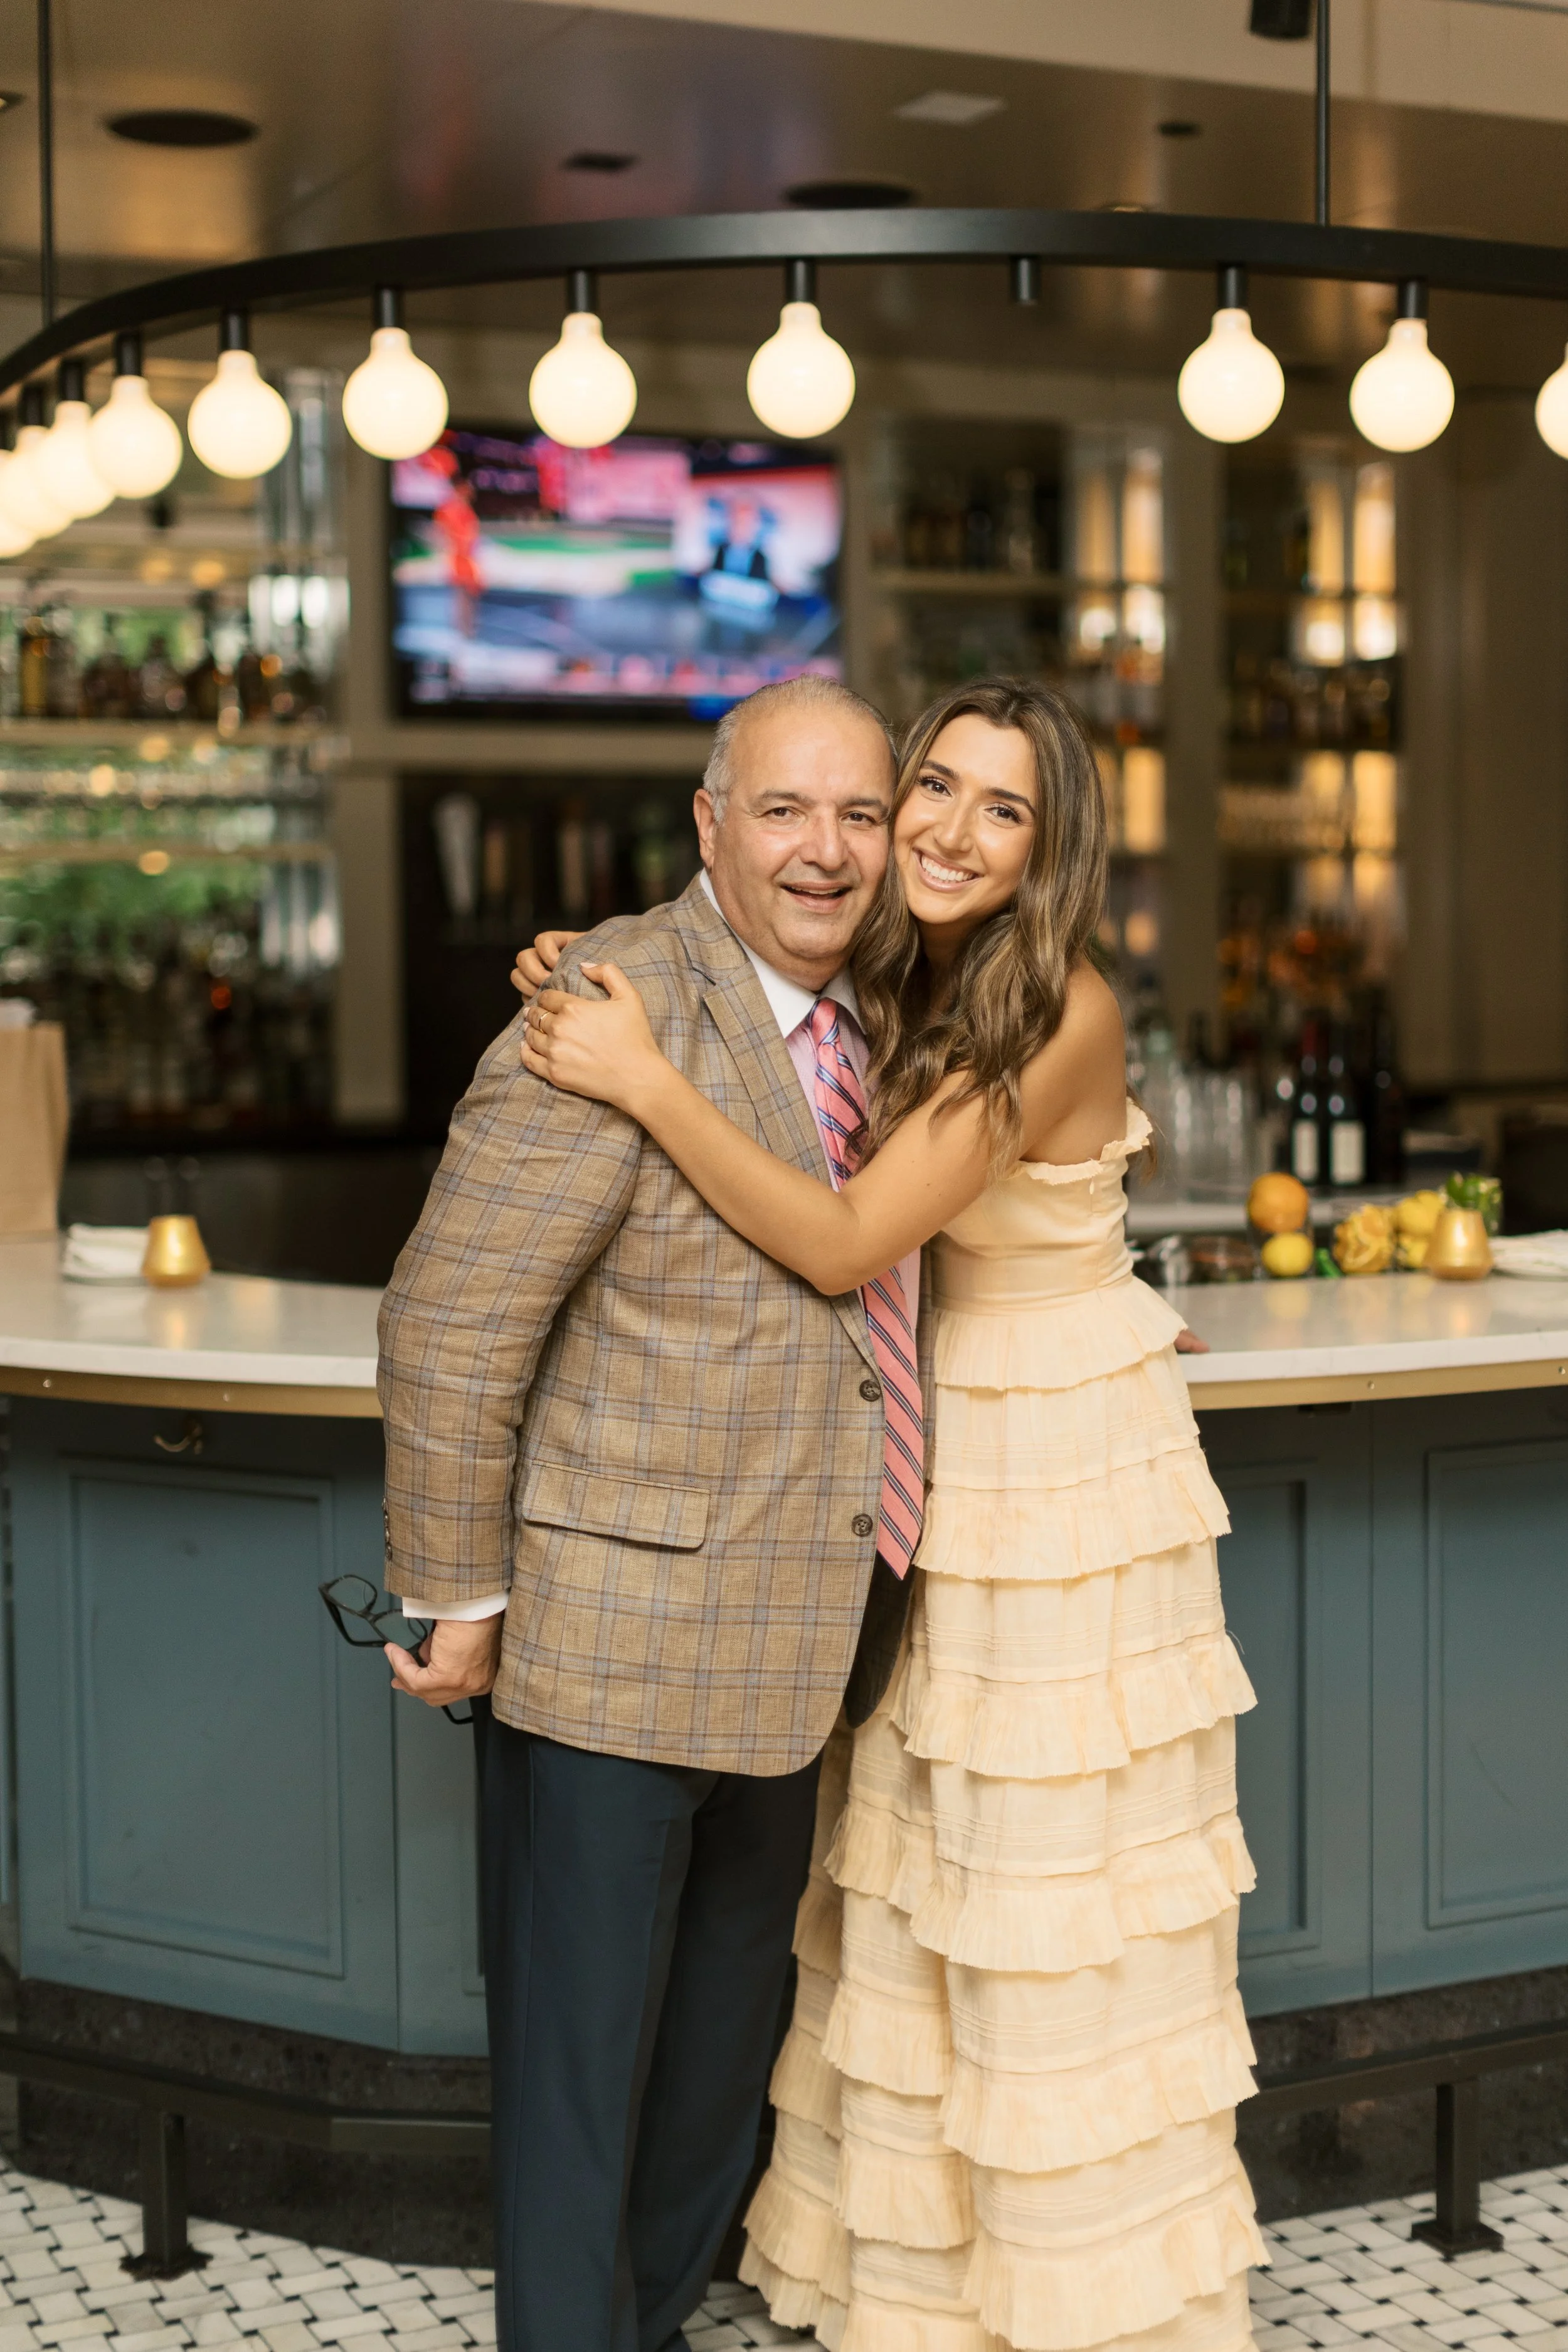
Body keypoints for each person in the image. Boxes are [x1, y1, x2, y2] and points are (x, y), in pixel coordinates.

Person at [517, 677, 1264, 2352]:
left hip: (1052, 1474)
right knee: (923, 1874)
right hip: (931, 1460)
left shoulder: (1049, 1000)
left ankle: (1067, 2297)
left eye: (1001, 809)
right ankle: (923, 2288)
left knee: (1040, 1883)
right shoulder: (907, 967)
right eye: (932, 785)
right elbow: (744, 976)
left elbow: (853, 1240)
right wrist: (608, 960)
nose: (941, 828)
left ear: (1048, 843)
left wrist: (641, 1076)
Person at [376, 672, 926, 2352]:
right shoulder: (603, 1011)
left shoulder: (900, 1017)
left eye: (856, 813)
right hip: (609, 1639)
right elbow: (453, 1320)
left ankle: (649, 2322)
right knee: (580, 2077)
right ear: (709, 825)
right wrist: (452, 1590)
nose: (823, 852)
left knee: (713, 2070)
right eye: (781, 809)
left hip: (812, 1623)